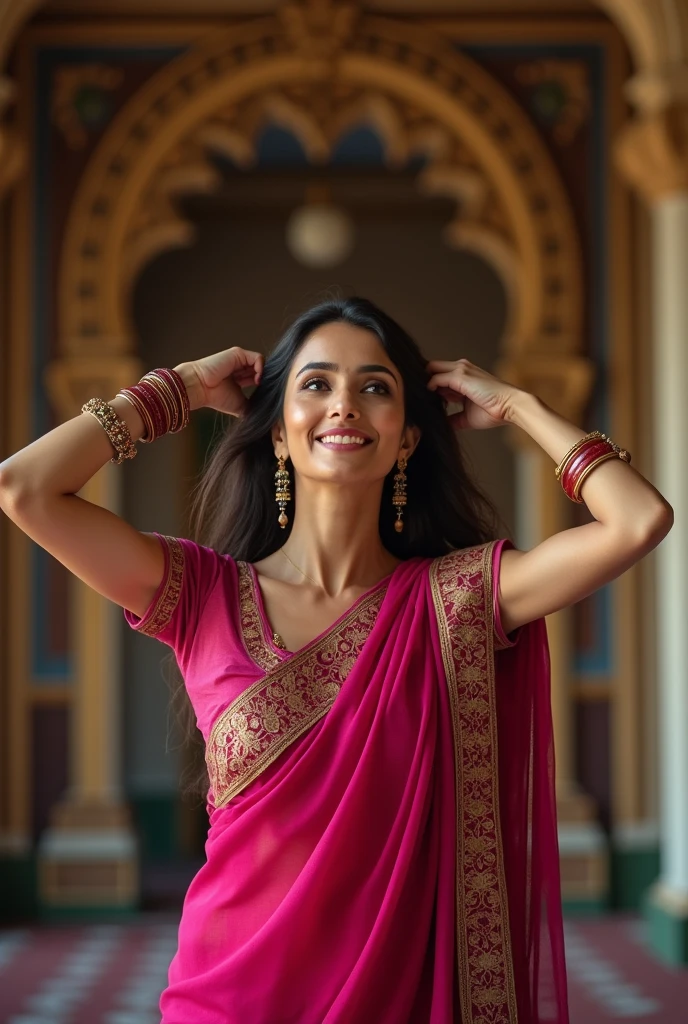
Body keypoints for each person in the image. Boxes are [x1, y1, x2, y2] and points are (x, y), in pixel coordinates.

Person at [0, 295, 672, 1024]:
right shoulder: (202, 592)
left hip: (400, 997)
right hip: (229, 993)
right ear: (278, 436)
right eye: (315, 384)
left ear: (407, 439)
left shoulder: (455, 601)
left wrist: (516, 405)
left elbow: (639, 520)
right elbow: (24, 488)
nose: (344, 404)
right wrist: (183, 387)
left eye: (375, 387)